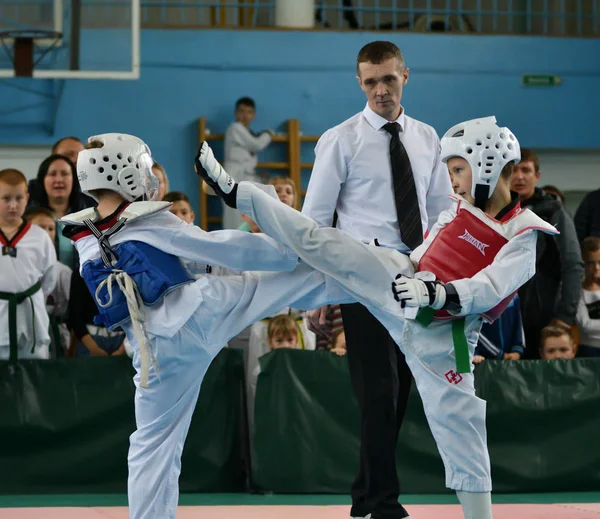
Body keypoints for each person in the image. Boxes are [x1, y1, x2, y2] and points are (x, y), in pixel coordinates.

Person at [196, 115, 558, 519]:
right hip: (402, 282)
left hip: (445, 333)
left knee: (461, 426)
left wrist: (437, 292)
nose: (451, 181)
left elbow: (493, 286)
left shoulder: (527, 232)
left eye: (458, 170)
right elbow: (424, 255)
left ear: (487, 163)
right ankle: (236, 201)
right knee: (324, 247)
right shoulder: (456, 209)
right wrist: (401, 271)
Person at [60, 133, 350, 519]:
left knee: (152, 446)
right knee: (295, 277)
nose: (150, 178)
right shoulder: (149, 218)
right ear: (126, 171)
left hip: (156, 354)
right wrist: (286, 247)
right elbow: (220, 248)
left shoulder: (83, 238)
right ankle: (379, 275)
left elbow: (169, 267)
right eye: (145, 169)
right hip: (200, 311)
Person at [301, 40, 453, 519]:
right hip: (362, 275)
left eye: (388, 79)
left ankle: (365, 493)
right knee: (377, 390)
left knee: (402, 390)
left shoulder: (428, 138)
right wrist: (319, 292)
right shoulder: (340, 140)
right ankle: (385, 501)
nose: (380, 90)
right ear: (359, 82)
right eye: (370, 82)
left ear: (405, 74)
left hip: (418, 277)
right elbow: (315, 223)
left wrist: (443, 277)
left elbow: (442, 214)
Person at [510, 148, 583, 358]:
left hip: (544, 322)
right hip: (504, 324)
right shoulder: (494, 211)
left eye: (525, 170)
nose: (519, 176)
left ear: (537, 176)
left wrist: (565, 316)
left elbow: (573, 265)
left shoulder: (553, 211)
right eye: (513, 170)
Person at [0, 169, 57, 361]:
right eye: (6, 198)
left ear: (27, 198)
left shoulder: (39, 236)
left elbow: (50, 279)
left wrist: (32, 296)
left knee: (34, 375)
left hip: (31, 313)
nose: (13, 205)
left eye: (18, 198)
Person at [222, 96, 273, 229]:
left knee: (246, 213)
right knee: (234, 213)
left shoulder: (247, 132)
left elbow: (248, 156)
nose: (245, 115)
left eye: (249, 112)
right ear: (236, 113)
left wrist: (258, 177)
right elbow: (256, 145)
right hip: (233, 175)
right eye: (242, 111)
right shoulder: (235, 127)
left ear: (253, 115)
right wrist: (268, 134)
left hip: (244, 175)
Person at [575, 236, 600, 357]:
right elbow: (585, 326)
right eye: (590, 263)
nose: (596, 268)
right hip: (589, 350)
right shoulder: (577, 289)